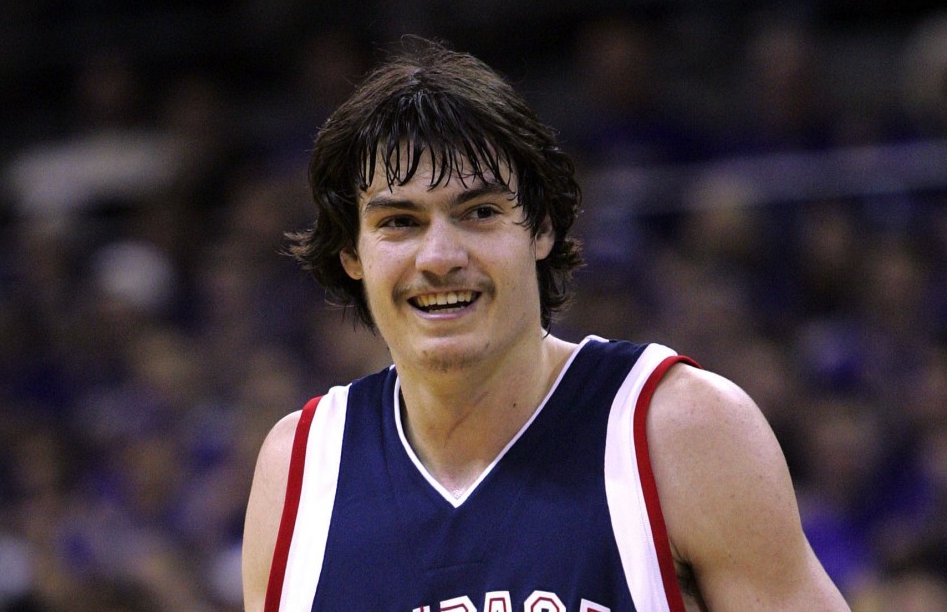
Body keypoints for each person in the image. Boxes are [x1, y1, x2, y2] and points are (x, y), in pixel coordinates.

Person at [242, 38, 849, 612]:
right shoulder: (296, 470)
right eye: (400, 222)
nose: (439, 257)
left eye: (479, 212)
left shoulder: (682, 430)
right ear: (352, 253)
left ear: (542, 227)